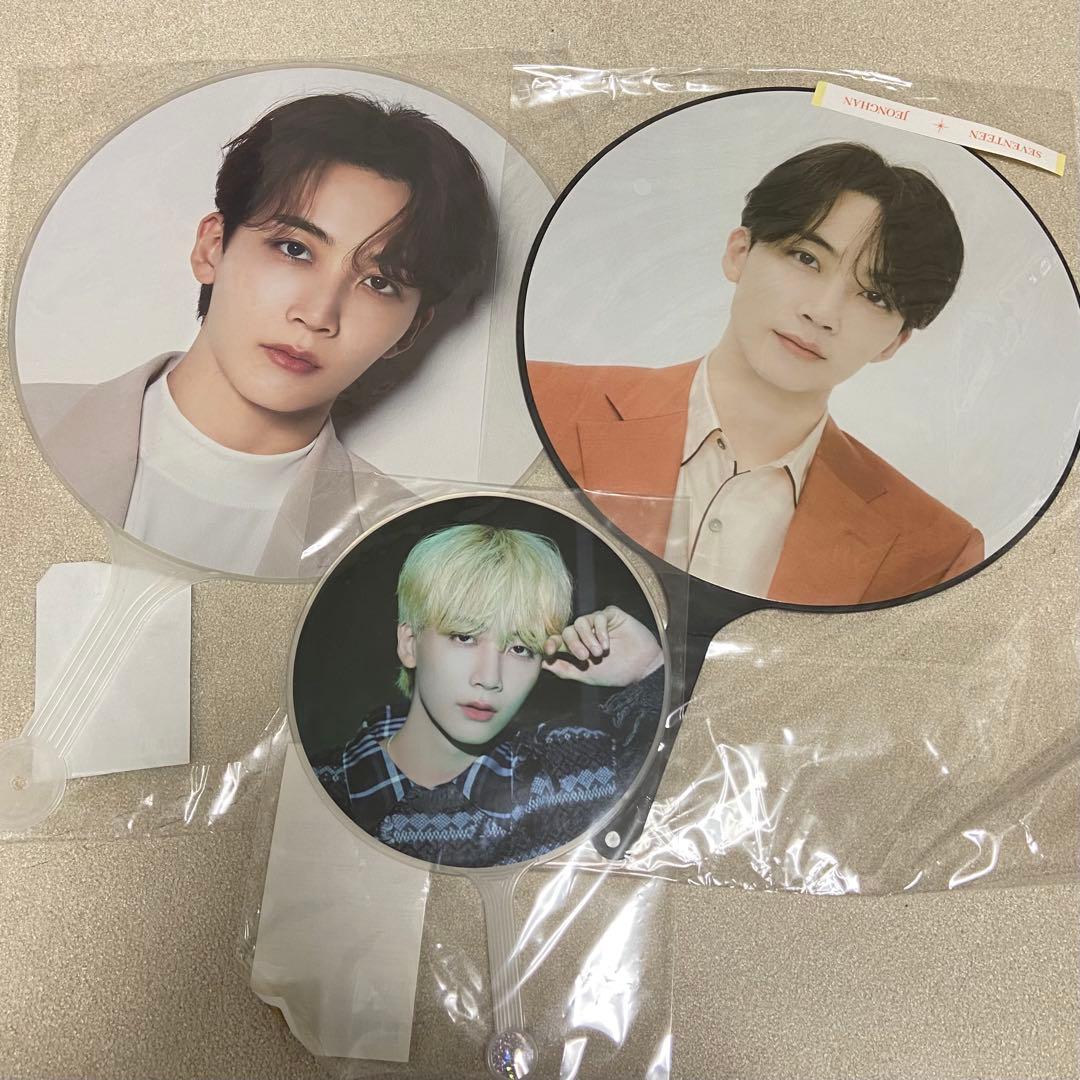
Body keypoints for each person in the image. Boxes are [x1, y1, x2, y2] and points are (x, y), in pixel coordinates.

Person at [22, 93, 494, 578]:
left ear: (410, 329)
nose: (317, 315)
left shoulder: (415, 556)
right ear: (212, 248)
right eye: (294, 249)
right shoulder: (19, 428)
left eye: (379, 282)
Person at [526, 142, 984, 606]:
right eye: (806, 258)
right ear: (739, 253)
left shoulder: (935, 551)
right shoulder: (538, 396)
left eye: (874, 297)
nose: (823, 313)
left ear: (895, 341)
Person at [310, 523, 665, 867]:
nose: (490, 678)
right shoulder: (313, 787)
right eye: (464, 637)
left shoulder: (576, 774)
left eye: (520, 648)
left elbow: (683, 802)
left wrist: (651, 669)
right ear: (409, 644)